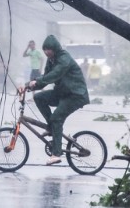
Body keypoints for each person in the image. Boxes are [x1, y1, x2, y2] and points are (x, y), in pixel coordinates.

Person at [18, 34, 89, 166]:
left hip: (75, 95)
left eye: (48, 49)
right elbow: (45, 79)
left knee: (57, 118)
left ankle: (56, 154)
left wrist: (36, 81)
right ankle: (51, 128)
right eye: (44, 49)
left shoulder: (64, 59)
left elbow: (55, 74)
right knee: (39, 97)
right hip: (62, 93)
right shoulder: (51, 60)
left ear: (54, 48)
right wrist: (28, 85)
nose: (46, 52)